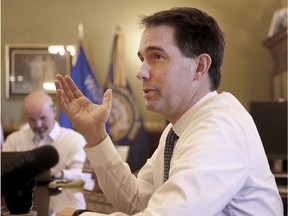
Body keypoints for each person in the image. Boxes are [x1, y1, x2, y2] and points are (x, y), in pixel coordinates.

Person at [54, 7, 283, 216]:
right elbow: (136, 201)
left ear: (199, 67)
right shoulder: (177, 129)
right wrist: (96, 134)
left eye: (157, 57)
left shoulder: (219, 128)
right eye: (143, 58)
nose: (141, 72)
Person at [3, 91, 87, 180]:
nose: (38, 125)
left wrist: (61, 174)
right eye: (32, 119)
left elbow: (84, 175)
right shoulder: (14, 140)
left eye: (43, 118)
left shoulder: (74, 140)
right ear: (25, 116)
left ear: (54, 111)